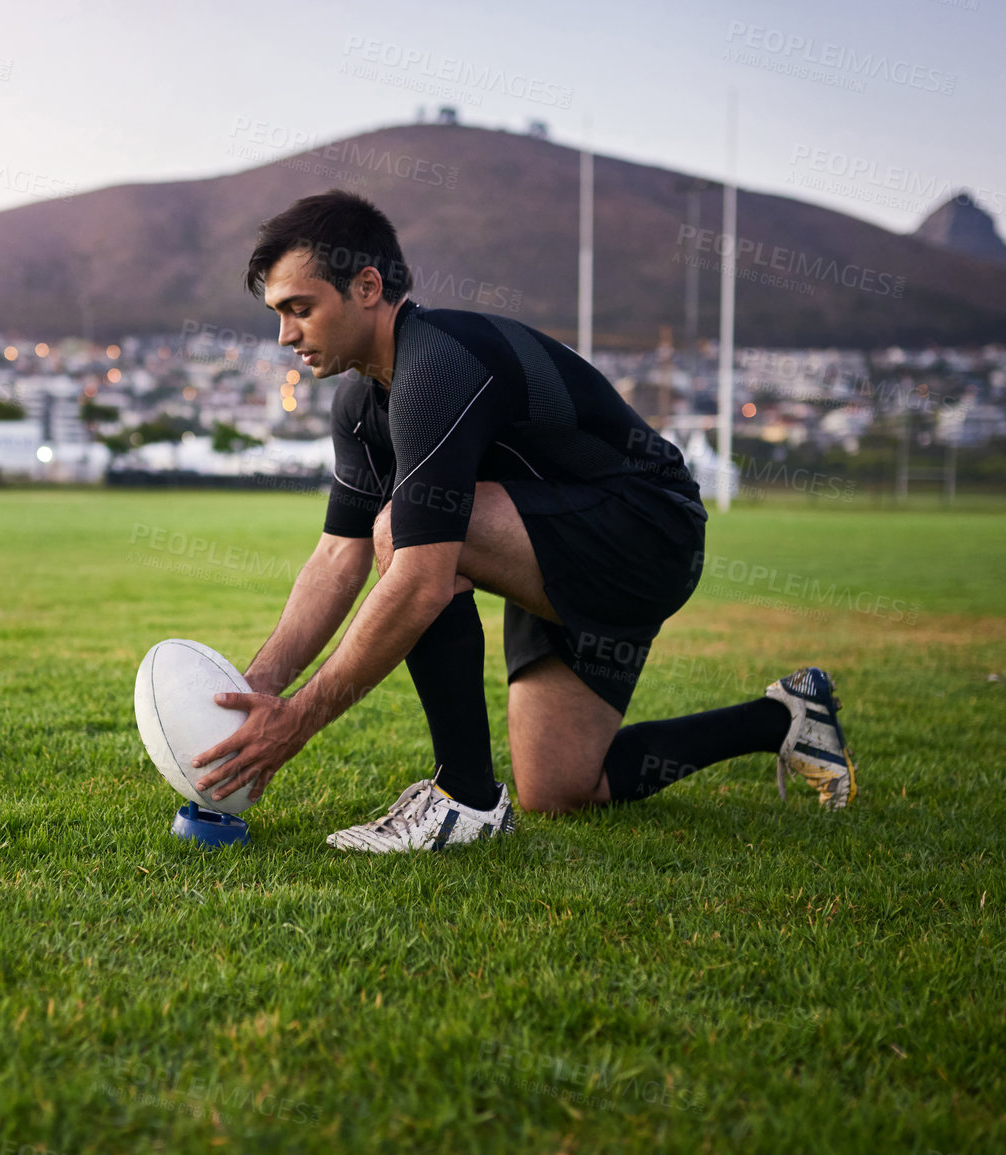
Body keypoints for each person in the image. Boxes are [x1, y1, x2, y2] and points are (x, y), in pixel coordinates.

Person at [192, 190, 857, 852]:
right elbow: (337, 557)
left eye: (297, 309)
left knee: (408, 532)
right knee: (561, 787)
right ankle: (783, 715)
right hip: (545, 548)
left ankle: (465, 798)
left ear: (366, 286)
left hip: (647, 535)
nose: (284, 335)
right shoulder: (360, 403)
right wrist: (256, 689)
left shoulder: (437, 363)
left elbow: (422, 580)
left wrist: (296, 723)